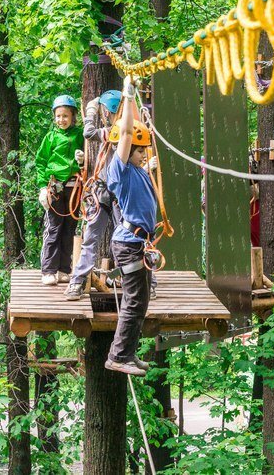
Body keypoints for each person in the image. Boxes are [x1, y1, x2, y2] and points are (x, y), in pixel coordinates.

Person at [63, 90, 158, 301]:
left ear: (109, 111)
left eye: (105, 110)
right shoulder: (117, 131)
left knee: (111, 238)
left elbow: (89, 133)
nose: (103, 114)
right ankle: (147, 284)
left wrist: (90, 109)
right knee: (130, 237)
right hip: (106, 192)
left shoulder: (113, 131)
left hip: (109, 193)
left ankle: (78, 283)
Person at [103, 76, 157, 377]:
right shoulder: (119, 170)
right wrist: (128, 96)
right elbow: (124, 133)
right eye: (139, 150)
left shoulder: (138, 171)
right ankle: (118, 355)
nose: (142, 154)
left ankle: (128, 352)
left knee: (142, 301)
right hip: (129, 244)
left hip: (139, 243)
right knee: (135, 300)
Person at [35, 94, 84, 286]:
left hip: (74, 186)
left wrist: (82, 160)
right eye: (58, 116)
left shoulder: (80, 135)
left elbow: (91, 156)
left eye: (65, 116)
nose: (61, 120)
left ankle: (64, 269)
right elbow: (41, 162)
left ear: (73, 116)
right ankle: (48, 270)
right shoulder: (50, 138)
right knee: (54, 227)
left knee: (69, 228)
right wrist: (42, 187)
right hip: (54, 186)